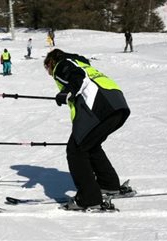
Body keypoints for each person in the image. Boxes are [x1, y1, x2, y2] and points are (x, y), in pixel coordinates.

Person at [43, 49, 130, 210]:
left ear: (51, 62)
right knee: (91, 145)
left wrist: (66, 91)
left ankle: (89, 198)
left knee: (76, 150)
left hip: (99, 107)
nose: (48, 73)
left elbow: (77, 78)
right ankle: (108, 184)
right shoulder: (80, 63)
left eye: (47, 68)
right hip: (116, 104)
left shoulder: (62, 65)